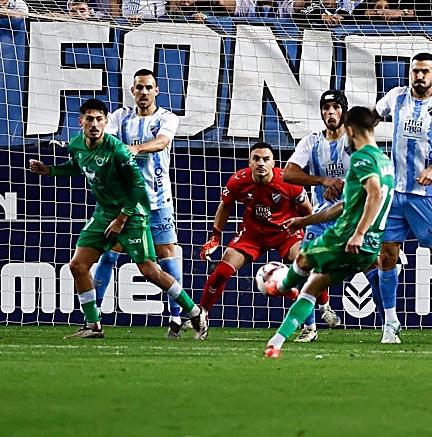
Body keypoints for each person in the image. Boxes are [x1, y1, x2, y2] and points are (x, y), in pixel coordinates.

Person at [27, 98, 203, 339]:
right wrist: (50, 170)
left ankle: (194, 312)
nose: (95, 124)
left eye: (100, 119)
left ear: (106, 122)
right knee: (77, 266)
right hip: (103, 213)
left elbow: (138, 186)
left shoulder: (117, 150)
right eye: (89, 119)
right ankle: (93, 325)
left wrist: (121, 218)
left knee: (150, 271)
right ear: (81, 122)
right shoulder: (77, 144)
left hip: (131, 215)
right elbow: (78, 166)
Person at [263, 105, 394, 358]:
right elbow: (344, 204)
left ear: (351, 129)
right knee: (312, 286)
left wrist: (358, 233)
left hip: (347, 239)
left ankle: (280, 286)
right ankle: (275, 343)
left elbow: (375, 193)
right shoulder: (385, 161)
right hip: (370, 248)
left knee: (302, 258)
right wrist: (304, 221)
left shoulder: (361, 157)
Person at [375, 52, 432, 345]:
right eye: (415, 71)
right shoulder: (395, 97)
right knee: (386, 255)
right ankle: (390, 323)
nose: (419, 76)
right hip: (394, 194)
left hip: (428, 195)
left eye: (426, 71)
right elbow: (372, 119)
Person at [88, 70, 185, 337]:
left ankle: (177, 319)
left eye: (148, 87)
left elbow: (163, 142)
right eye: (139, 87)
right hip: (125, 203)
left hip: (157, 200)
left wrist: (136, 148)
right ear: (133, 90)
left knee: (166, 257)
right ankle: (93, 321)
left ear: (157, 91)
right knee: (109, 253)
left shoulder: (167, 118)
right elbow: (104, 142)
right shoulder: (121, 116)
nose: (143, 92)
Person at [194, 142, 311, 340]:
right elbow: (225, 205)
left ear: (273, 162)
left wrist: (309, 236)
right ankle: (202, 314)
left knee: (305, 264)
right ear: (250, 161)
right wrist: (215, 236)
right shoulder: (238, 180)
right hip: (252, 234)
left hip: (286, 233)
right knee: (222, 270)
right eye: (256, 159)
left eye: (266, 159)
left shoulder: (289, 181)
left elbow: (307, 210)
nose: (261, 163)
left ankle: (310, 324)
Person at [281, 90, 352, 341]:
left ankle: (390, 323)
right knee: (304, 263)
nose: (330, 112)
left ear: (344, 111)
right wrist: (323, 179)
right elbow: (288, 174)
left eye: (335, 107)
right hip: (321, 218)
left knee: (376, 266)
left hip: (351, 218)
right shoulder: (312, 141)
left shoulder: (353, 142)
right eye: (326, 108)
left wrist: (344, 183)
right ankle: (309, 327)